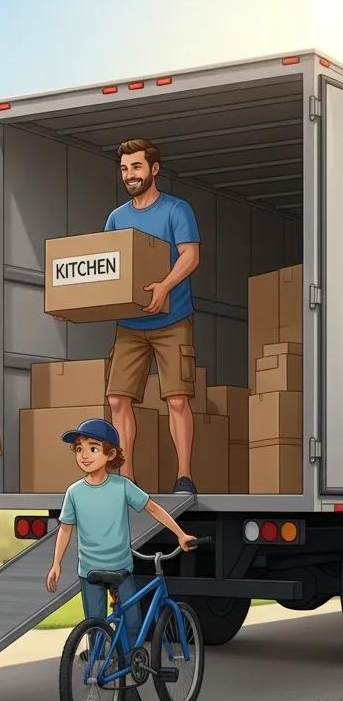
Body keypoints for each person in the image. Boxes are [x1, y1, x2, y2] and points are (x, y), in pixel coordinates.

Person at [45, 417, 196, 701]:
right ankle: (95, 696)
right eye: (79, 449)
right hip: (91, 572)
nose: (84, 455)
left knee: (132, 625)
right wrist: (56, 564)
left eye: (93, 448)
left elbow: (152, 507)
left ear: (111, 454)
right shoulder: (74, 492)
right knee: (96, 631)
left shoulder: (121, 487)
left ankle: (128, 685)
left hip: (121, 569)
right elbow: (65, 528)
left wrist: (179, 533)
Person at [104, 138, 202, 492]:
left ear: (154, 169)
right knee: (118, 399)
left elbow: (190, 256)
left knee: (176, 399)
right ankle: (127, 477)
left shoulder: (177, 210)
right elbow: (107, 270)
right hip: (130, 325)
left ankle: (184, 476)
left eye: (137, 167)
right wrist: (76, 306)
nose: (130, 175)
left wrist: (164, 286)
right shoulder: (116, 218)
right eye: (125, 169)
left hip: (171, 321)